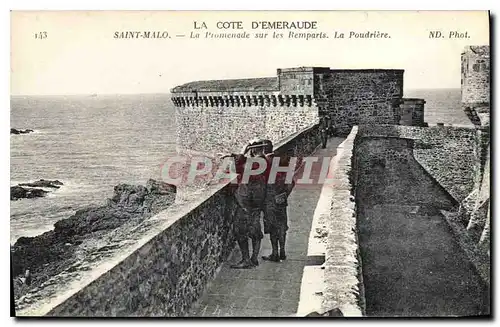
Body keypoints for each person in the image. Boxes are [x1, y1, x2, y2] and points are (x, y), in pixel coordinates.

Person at [223, 139, 269, 269]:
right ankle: (254, 258)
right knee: (255, 231)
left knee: (239, 230)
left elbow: (236, 167)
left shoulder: (255, 163)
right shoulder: (265, 161)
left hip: (246, 203)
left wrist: (243, 151)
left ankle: (246, 259)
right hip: (258, 202)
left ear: (253, 149)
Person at [262, 147, 295, 262]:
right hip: (281, 199)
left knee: (272, 228)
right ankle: (282, 251)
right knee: (281, 226)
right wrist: (285, 195)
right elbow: (291, 183)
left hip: (269, 200)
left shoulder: (265, 163)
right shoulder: (283, 162)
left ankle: (275, 252)